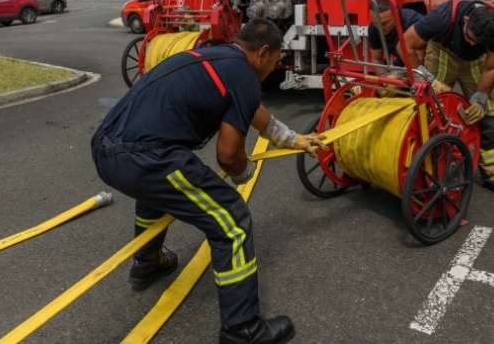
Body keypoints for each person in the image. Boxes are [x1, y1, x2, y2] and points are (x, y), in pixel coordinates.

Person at [91, 19, 323, 344]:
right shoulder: (244, 75)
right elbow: (229, 156)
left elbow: (251, 109)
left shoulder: (215, 56)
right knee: (233, 222)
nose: (273, 69)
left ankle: (148, 261)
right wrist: (244, 173)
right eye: (274, 62)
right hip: (147, 156)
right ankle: (242, 329)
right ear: (263, 52)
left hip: (106, 149)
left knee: (159, 192)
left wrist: (291, 138)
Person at [403, 0, 494, 201]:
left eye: (478, 42)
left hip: (476, 63)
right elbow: (404, 44)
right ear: (465, 20)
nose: (472, 43)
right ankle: (426, 170)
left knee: (488, 114)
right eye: (469, 37)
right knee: (430, 109)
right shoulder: (443, 16)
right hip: (442, 53)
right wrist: (426, 78)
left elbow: (491, 68)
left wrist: (481, 97)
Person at [367, 0, 424, 67]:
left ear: (397, 14)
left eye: (384, 23)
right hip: (402, 62)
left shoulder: (412, 22)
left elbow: (419, 61)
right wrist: (384, 75)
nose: (380, 28)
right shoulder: (373, 28)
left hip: (421, 61)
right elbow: (377, 59)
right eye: (376, 23)